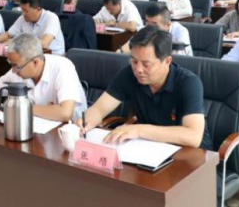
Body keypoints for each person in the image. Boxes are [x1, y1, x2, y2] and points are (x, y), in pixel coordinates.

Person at [78, 26, 207, 148]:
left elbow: (193, 137)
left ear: (167, 61)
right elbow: (99, 109)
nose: (138, 69)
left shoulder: (188, 83)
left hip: (191, 155)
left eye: (146, 64)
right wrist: (85, 122)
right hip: (148, 149)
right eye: (134, 61)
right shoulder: (129, 74)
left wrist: (139, 130)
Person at [0, 34, 86, 122]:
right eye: (11, 64)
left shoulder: (63, 67)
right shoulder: (18, 69)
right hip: (36, 126)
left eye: (16, 66)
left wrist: (23, 107)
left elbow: (66, 113)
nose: (13, 70)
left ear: (36, 62)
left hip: (71, 129)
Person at [0, 0, 65, 55]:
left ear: (38, 9)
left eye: (26, 11)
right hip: (32, 55)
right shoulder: (23, 18)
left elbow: (44, 44)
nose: (23, 14)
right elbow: (8, 34)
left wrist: (17, 42)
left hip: (54, 56)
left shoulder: (51, 17)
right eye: (22, 10)